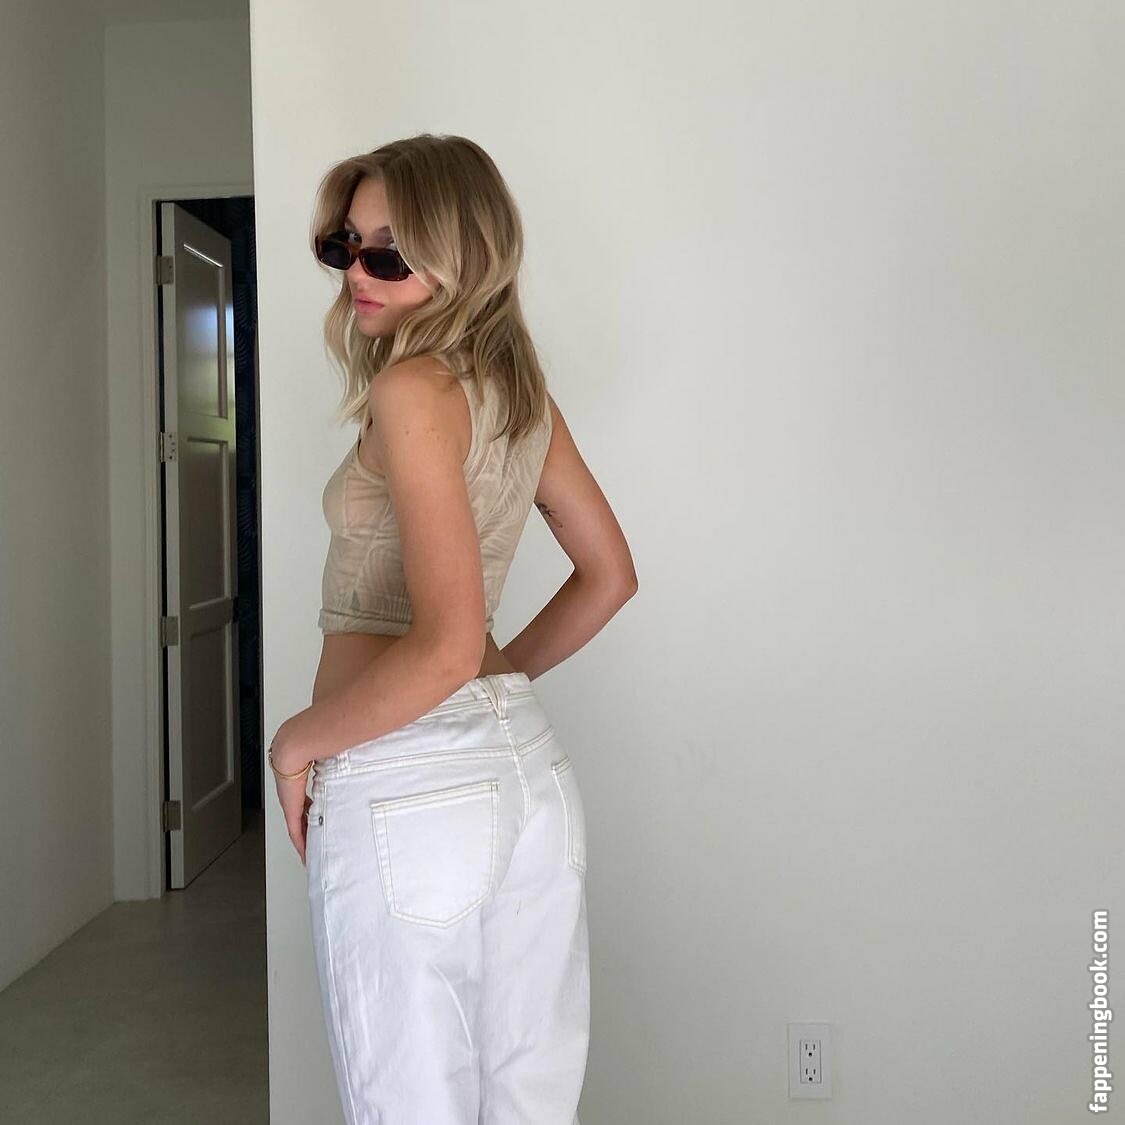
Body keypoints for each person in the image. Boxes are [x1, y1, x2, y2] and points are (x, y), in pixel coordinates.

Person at [267, 134, 638, 1125]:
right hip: (526, 776)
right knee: (527, 1103)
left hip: (407, 781)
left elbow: (444, 642)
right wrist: (490, 687)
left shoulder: (410, 391)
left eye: (388, 253)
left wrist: (297, 744)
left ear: (461, 257)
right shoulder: (519, 399)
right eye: (345, 245)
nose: (357, 270)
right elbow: (609, 578)